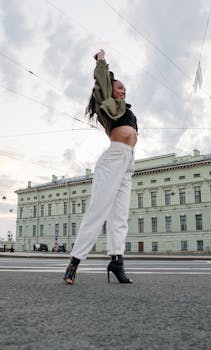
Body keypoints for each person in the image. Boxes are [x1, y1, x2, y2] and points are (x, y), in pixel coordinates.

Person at [64, 49, 138, 285]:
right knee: (98, 211)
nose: (123, 90)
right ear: (110, 89)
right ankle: (74, 263)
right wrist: (102, 61)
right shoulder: (107, 103)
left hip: (128, 162)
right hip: (113, 159)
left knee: (120, 216)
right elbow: (103, 80)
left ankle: (117, 261)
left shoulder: (126, 108)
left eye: (125, 88)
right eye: (119, 87)